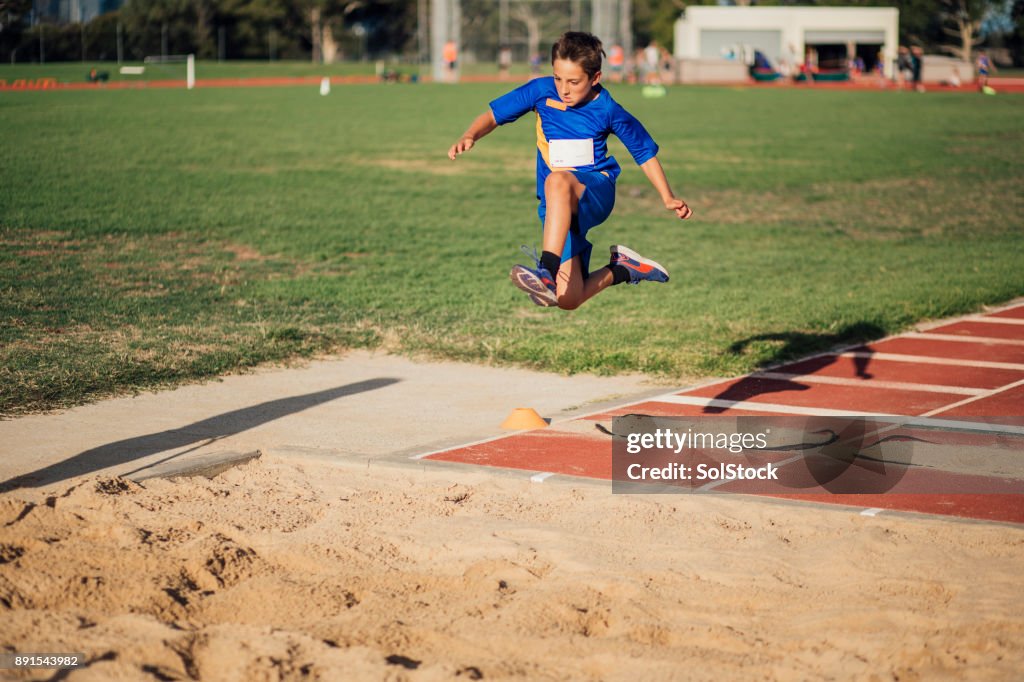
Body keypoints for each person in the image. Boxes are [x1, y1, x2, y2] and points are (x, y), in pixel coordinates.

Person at [447, 31, 692, 310]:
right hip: (556, 208)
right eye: (558, 78)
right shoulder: (540, 91)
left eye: (574, 82)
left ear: (595, 78)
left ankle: (546, 271)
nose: (564, 88)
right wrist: (470, 135)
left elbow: (644, 152)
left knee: (558, 179)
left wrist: (667, 197)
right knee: (568, 298)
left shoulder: (608, 109)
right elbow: (493, 115)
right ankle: (625, 268)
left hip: (595, 192)